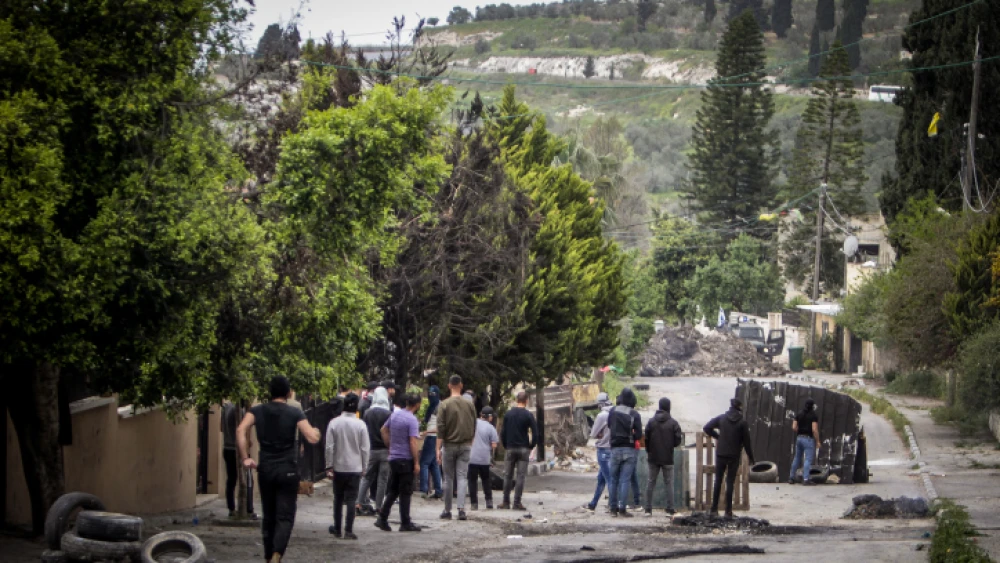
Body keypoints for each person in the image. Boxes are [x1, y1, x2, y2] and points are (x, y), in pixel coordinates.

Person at [237, 376, 321, 563]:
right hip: (287, 470)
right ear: (288, 393)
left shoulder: (256, 411)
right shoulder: (294, 413)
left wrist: (245, 458)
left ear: (270, 392)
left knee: (269, 516)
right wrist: (316, 431)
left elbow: (241, 430)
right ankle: (277, 554)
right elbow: (312, 438)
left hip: (265, 469)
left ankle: (268, 557)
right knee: (285, 516)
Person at [375, 393, 423, 532]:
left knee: (393, 490)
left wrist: (390, 446)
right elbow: (413, 442)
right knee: (405, 492)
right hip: (405, 459)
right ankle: (405, 522)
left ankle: (382, 518)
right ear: (417, 404)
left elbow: (383, 429)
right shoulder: (412, 420)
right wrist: (416, 462)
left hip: (394, 458)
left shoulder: (395, 415)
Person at [324, 393, 369, 540]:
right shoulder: (361, 425)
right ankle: (348, 530)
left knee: (338, 498)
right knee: (351, 499)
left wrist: (329, 465)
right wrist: (364, 466)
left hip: (338, 466)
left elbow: (329, 447)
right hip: (355, 467)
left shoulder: (334, 423)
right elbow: (365, 448)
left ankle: (337, 528)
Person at [703, 398, 756, 519]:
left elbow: (706, 428)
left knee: (718, 481)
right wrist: (751, 457)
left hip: (721, 453)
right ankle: (728, 511)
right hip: (734, 455)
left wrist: (719, 437)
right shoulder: (742, 422)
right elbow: (747, 442)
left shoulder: (722, 418)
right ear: (739, 408)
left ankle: (714, 509)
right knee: (730, 482)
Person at [436, 375, 477, 521]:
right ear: (461, 385)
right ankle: (461, 509)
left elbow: (440, 428)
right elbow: (474, 424)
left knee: (448, 479)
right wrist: (470, 440)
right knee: (462, 477)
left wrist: (437, 448)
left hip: (449, 445)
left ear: (449, 386)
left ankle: (447, 510)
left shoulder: (444, 404)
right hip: (465, 444)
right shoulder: (470, 404)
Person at [644, 397, 684, 516]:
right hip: (667, 457)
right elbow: (677, 441)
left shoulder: (651, 422)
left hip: (653, 457)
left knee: (650, 482)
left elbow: (646, 438)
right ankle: (670, 508)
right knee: (669, 483)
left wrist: (649, 451)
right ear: (668, 407)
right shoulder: (673, 423)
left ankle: (648, 509)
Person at [500, 391, 537, 511]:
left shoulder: (508, 414)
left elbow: (503, 432)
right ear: (526, 401)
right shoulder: (528, 415)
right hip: (523, 449)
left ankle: (505, 501)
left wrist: (506, 445)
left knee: (507, 476)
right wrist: (531, 445)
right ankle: (517, 503)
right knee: (520, 476)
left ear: (516, 400)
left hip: (510, 448)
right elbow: (536, 432)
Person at [607, 388, 642, 517]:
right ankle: (622, 509)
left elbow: (609, 425)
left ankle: (612, 508)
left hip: (615, 449)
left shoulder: (613, 411)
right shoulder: (634, 414)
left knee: (613, 479)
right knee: (625, 480)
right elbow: (638, 435)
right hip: (629, 449)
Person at [357, 387, 392, 516]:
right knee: (382, 479)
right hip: (384, 449)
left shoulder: (367, 413)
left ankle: (358, 503)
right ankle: (378, 507)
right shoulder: (388, 414)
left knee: (366, 477)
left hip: (371, 449)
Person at [222, 401, 256, 518]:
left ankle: (231, 508)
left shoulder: (225, 408)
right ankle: (248, 509)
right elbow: (243, 429)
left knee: (231, 479)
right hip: (237, 449)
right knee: (248, 479)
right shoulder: (239, 412)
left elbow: (221, 428)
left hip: (227, 447)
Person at [584, 393, 613, 511]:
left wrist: (600, 433)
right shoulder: (614, 413)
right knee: (602, 478)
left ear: (600, 404)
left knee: (609, 479)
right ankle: (593, 504)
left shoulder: (602, 416)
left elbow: (593, 434)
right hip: (612, 449)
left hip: (603, 450)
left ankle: (613, 505)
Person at [468, 407, 499, 510]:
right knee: (486, 480)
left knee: (472, 481)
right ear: (489, 417)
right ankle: (489, 502)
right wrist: (492, 457)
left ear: (481, 414)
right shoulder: (491, 428)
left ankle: (474, 504)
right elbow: (494, 445)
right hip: (485, 459)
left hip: (472, 457)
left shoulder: (473, 423)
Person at [419, 385, 444, 499]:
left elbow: (442, 427)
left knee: (424, 463)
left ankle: (424, 490)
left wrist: (426, 432)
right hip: (433, 437)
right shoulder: (433, 406)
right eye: (430, 394)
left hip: (432, 437)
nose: (431, 397)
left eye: (433, 395)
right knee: (434, 465)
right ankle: (438, 490)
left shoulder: (440, 407)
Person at [789, 398, 820, 486]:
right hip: (808, 439)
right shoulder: (813, 415)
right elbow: (814, 429)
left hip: (799, 438)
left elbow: (794, 427)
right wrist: (818, 441)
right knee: (808, 459)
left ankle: (791, 478)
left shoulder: (799, 413)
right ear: (812, 406)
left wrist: (801, 430)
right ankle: (806, 479)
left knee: (797, 458)